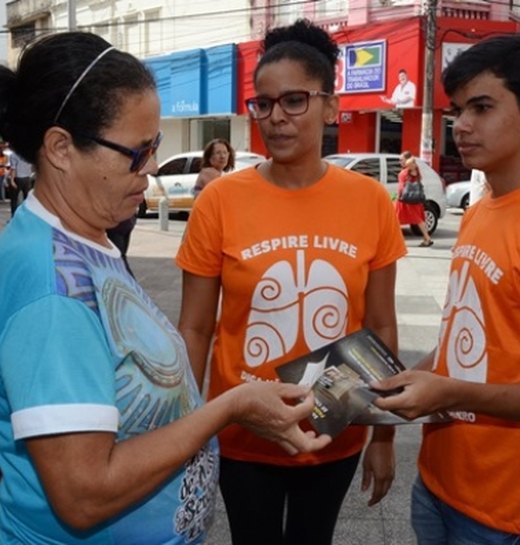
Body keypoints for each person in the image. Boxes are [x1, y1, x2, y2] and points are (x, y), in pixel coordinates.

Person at [0, 31, 330, 545]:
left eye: (153, 146)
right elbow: (84, 494)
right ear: (61, 148)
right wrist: (226, 407)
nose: (152, 167)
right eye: (137, 152)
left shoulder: (86, 234)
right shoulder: (52, 293)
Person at [372, 35, 520, 544]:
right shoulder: (483, 208)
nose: (461, 125)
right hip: (439, 481)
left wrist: (452, 392)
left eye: (481, 107)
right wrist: (390, 389)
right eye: (458, 110)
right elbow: (471, 338)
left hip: (505, 511)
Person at [176, 19, 404, 545]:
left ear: (330, 105)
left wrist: (383, 436)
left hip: (334, 430)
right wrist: (186, 429)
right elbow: (193, 329)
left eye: (294, 101)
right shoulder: (220, 201)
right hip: (240, 433)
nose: (275, 117)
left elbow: (381, 324)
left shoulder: (369, 201)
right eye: (264, 103)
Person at [396, 154, 433, 247]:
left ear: (407, 160)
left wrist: (399, 196)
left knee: (398, 218)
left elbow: (401, 187)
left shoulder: (404, 173)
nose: (400, 162)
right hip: (416, 199)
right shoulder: (416, 172)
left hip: (406, 200)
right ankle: (426, 238)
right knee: (418, 219)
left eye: (401, 160)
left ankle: (427, 238)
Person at [7, 149, 33, 217]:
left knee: (14, 199)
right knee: (27, 199)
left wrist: (12, 180)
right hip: (27, 178)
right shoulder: (28, 154)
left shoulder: (14, 155)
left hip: (18, 178)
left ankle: (14, 216)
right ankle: (27, 215)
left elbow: (13, 168)